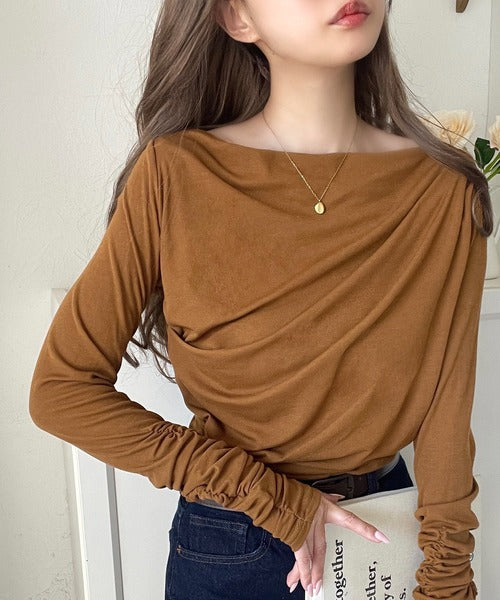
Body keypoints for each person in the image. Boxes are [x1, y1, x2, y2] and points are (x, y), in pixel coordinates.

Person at [29, 0, 493, 599]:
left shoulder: (445, 190)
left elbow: (448, 408)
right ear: (237, 18)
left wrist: (448, 580)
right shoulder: (174, 174)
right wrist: (264, 495)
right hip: (231, 535)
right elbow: (61, 391)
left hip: (384, 531)